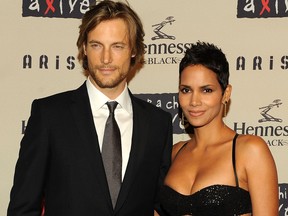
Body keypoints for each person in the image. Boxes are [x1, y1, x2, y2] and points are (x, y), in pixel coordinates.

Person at [7, 1, 172, 215]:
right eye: (96, 45)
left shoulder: (158, 123)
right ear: (84, 48)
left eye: (117, 46)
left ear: (134, 50)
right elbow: (23, 207)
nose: (105, 58)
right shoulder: (49, 116)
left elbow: (161, 206)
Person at [156, 42, 278, 216]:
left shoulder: (249, 150)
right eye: (186, 90)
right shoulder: (175, 153)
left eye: (206, 90)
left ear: (226, 93)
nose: (194, 101)